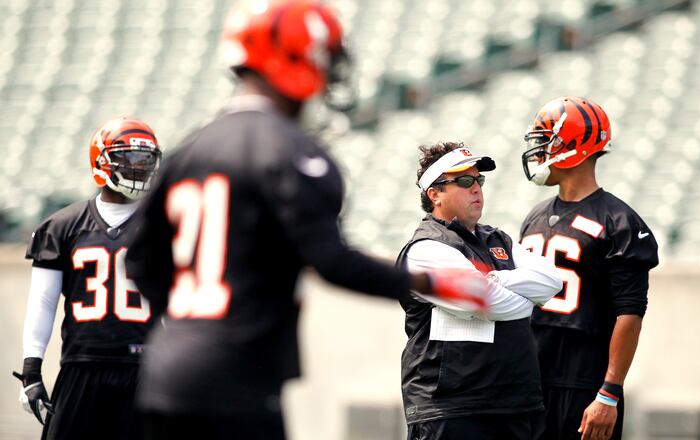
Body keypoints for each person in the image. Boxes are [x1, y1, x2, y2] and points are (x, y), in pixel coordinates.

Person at [124, 2, 491, 439]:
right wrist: (430, 283)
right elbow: (332, 260)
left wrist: (191, 324)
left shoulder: (188, 150)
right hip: (240, 376)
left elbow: (140, 262)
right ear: (297, 60)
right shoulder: (292, 153)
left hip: (165, 374)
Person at [396, 141, 564, 440]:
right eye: (463, 181)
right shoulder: (425, 249)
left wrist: (497, 280)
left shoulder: (498, 239)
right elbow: (488, 301)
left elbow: (552, 281)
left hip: (514, 405)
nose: (476, 188)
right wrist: (523, 296)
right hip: (451, 410)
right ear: (434, 194)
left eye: (478, 179)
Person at [518, 96, 659, 440]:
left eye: (545, 140)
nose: (538, 151)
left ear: (574, 144)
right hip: (531, 379)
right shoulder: (534, 216)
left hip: (584, 382)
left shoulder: (620, 222)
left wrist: (608, 393)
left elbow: (630, 314)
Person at [13, 116, 162, 440]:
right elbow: (43, 301)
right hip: (82, 365)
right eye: (129, 157)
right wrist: (31, 371)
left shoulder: (163, 224)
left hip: (146, 367)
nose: (139, 167)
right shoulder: (63, 225)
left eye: (146, 159)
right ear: (102, 160)